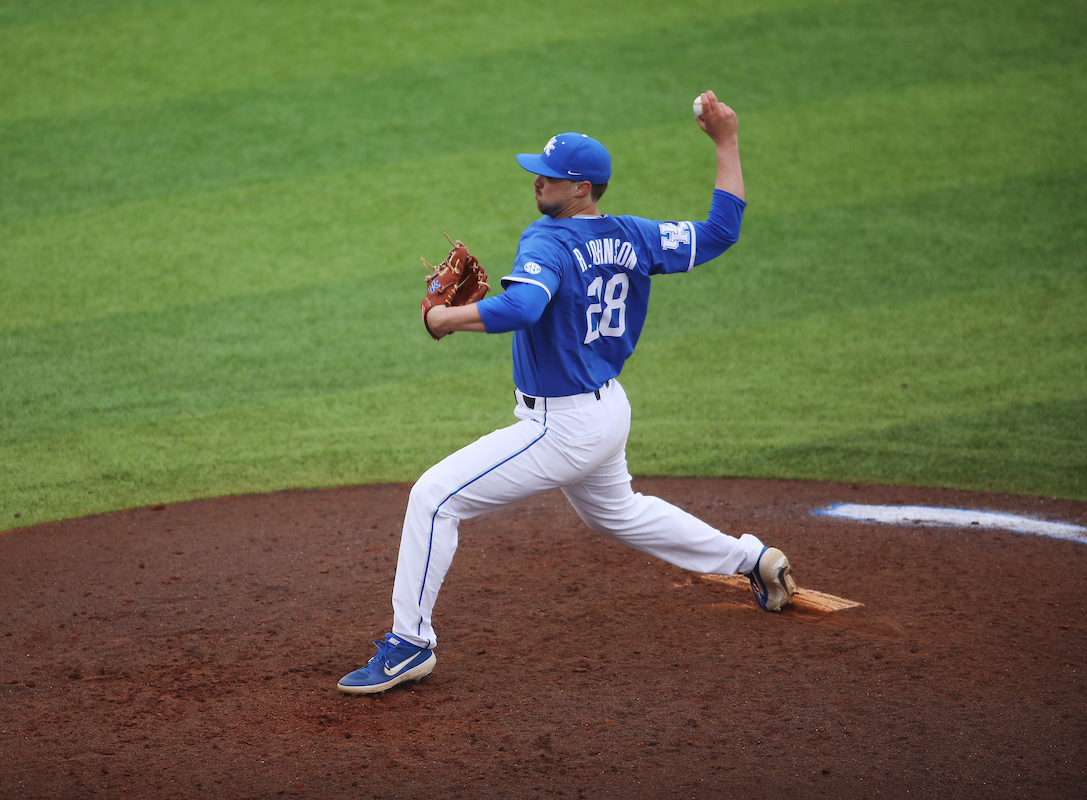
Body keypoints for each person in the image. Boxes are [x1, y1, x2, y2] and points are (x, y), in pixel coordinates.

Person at [337, 91, 797, 695]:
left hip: (561, 427)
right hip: (607, 412)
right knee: (621, 514)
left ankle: (410, 644)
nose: (538, 182)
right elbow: (720, 230)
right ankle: (752, 559)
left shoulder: (546, 240)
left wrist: (443, 320)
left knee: (434, 498)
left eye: (550, 177)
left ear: (581, 187)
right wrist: (726, 142)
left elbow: (526, 306)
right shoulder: (636, 236)